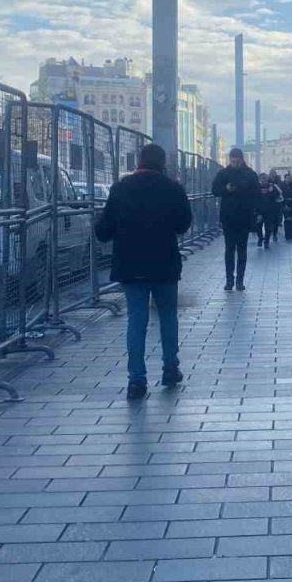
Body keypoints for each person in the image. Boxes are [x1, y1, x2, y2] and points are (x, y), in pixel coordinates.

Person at [94, 143, 192, 401]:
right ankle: (170, 369)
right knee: (168, 317)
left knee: (136, 321)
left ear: (139, 162)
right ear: (163, 164)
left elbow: (103, 232)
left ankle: (136, 381)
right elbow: (184, 225)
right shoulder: (173, 188)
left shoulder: (120, 188)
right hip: (164, 264)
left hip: (131, 266)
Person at [211, 147, 260, 292]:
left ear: (241, 159)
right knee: (229, 249)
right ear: (230, 159)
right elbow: (215, 190)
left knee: (242, 249)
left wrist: (257, 212)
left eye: (237, 159)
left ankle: (240, 280)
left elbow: (257, 194)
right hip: (228, 217)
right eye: (232, 160)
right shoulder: (223, 174)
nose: (235, 162)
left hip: (244, 216)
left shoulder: (250, 174)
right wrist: (226, 189)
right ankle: (229, 280)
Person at [256, 172, 284, 250]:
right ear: (260, 179)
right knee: (258, 226)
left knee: (268, 227)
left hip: (269, 210)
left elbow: (278, 196)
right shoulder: (257, 187)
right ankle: (260, 238)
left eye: (265, 178)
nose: (263, 179)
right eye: (262, 178)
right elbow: (254, 198)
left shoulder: (272, 186)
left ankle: (266, 242)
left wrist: (271, 192)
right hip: (259, 211)